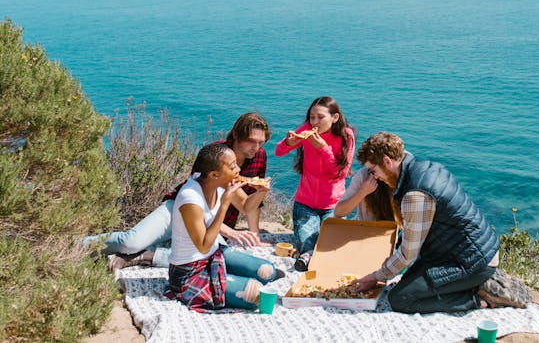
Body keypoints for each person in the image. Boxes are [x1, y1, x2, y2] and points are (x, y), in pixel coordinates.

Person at [352, 132, 530, 313]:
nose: (375, 176)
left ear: (387, 161)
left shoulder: (415, 195)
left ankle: (480, 299)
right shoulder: (426, 167)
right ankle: (478, 282)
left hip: (472, 262)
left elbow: (408, 255)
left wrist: (376, 277)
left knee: (400, 298)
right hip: (472, 252)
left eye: (373, 170)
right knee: (407, 280)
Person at [85, 112, 272, 267]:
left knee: (217, 262)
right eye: (251, 141)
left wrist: (255, 231)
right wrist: (231, 232)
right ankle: (78, 244)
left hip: (214, 223)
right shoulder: (214, 155)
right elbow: (198, 200)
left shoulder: (258, 156)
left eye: (261, 143)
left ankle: (148, 256)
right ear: (237, 136)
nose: (256, 148)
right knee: (130, 242)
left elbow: (248, 207)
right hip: (181, 209)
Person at [167, 143, 276, 311]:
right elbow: (203, 246)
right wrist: (224, 204)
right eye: (232, 167)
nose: (238, 169)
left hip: (215, 254)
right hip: (189, 270)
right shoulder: (190, 198)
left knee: (267, 271)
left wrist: (261, 191)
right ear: (214, 174)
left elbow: (246, 206)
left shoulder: (222, 183)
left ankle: (230, 278)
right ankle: (156, 257)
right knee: (255, 295)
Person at [275, 96, 355, 271]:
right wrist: (289, 142)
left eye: (320, 117)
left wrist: (323, 148)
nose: (315, 122)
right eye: (312, 117)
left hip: (334, 205)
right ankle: (309, 256)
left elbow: (339, 173)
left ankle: (308, 258)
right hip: (306, 202)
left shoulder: (346, 136)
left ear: (335, 118)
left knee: (330, 243)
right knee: (307, 239)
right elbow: (279, 151)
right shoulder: (307, 130)